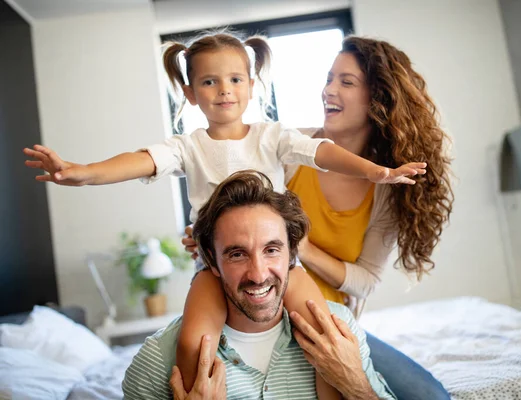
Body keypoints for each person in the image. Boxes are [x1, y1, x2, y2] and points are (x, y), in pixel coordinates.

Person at [22, 31, 426, 397]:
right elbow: (141, 160)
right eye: (209, 81)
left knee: (322, 330)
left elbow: (322, 154)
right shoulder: (187, 147)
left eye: (235, 79)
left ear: (251, 86)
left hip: (292, 265)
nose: (224, 90)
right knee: (194, 341)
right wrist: (84, 174)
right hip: (211, 267)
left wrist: (378, 173)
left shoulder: (274, 137)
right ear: (191, 93)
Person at [182, 35, 453, 399]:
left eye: (346, 82)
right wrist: (210, 240)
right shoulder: (293, 148)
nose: (328, 90)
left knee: (430, 396)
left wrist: (300, 248)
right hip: (260, 309)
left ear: (379, 99)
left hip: (330, 319)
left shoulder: (386, 185)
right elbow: (232, 208)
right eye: (328, 78)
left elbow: (365, 281)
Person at [122, 170, 396, 400]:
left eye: (272, 250)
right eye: (237, 254)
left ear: (291, 253)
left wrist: (355, 385)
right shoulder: (158, 360)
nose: (258, 274)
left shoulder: (340, 333)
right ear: (212, 262)